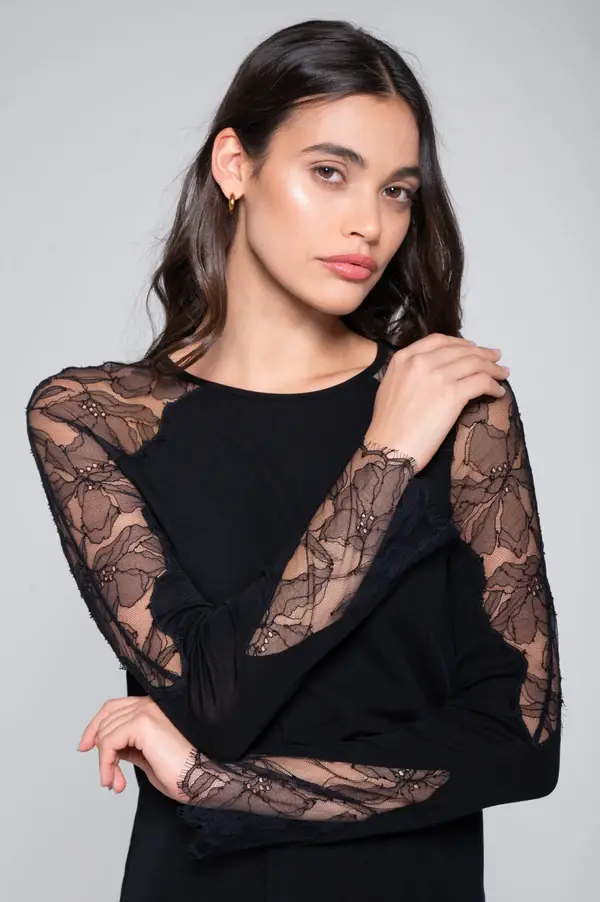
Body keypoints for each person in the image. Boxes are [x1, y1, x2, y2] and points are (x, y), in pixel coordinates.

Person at [24, 17, 562, 902]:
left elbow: (521, 741)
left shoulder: (456, 402)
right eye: (329, 172)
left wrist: (220, 787)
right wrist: (385, 458)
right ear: (235, 165)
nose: (369, 223)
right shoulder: (92, 419)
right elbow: (215, 698)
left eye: (397, 191)